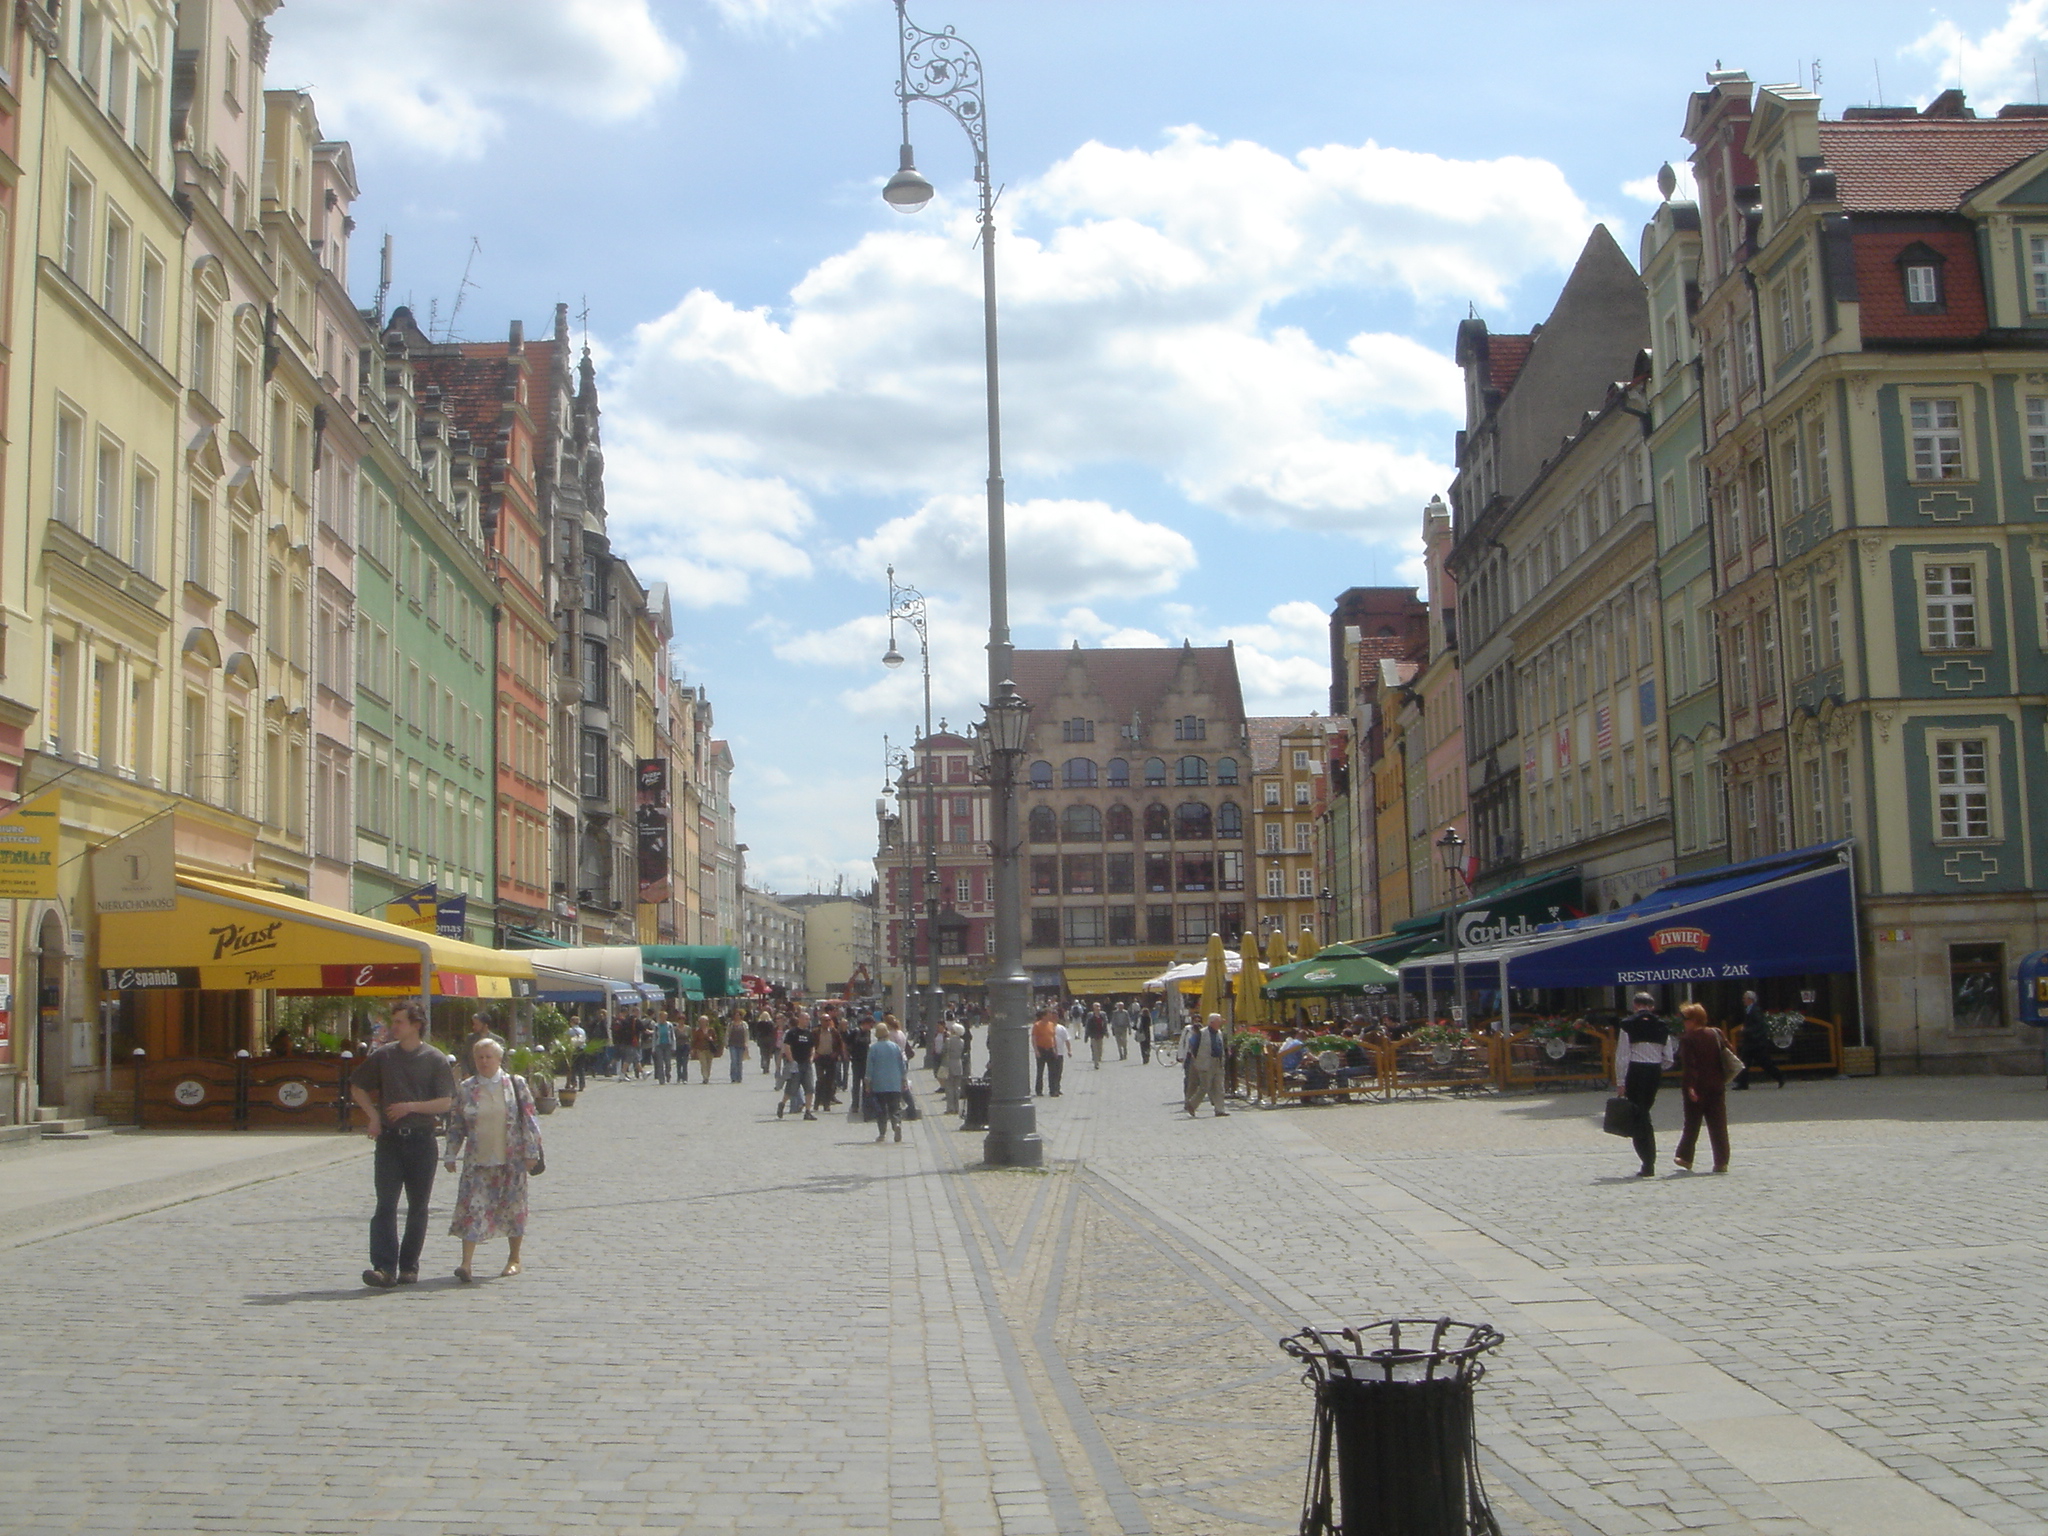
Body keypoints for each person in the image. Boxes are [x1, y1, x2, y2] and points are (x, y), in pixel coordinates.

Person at [350, 1001, 456, 1289]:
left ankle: (409, 1266)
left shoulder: (435, 1059)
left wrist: (411, 1106)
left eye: (399, 1022)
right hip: (390, 1141)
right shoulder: (384, 1056)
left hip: (422, 1140)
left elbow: (446, 1102)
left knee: (418, 1206)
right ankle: (384, 1268)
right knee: (385, 1204)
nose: (393, 1027)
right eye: (393, 1021)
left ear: (416, 1025)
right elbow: (357, 1086)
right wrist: (373, 1116)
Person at [442, 1037, 543, 1281]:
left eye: (489, 1057)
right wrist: (451, 1153)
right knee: (472, 1208)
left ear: (499, 1059)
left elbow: (530, 1119)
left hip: (511, 1159)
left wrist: (531, 1152)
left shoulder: (515, 1084)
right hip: (477, 1160)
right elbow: (457, 1124)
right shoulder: (467, 1088)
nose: (484, 1061)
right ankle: (466, 1264)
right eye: (480, 1057)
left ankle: (514, 1258)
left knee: (513, 1208)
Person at [1614, 991, 1677, 1177]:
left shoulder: (1627, 1024)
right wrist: (1657, 1067)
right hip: (1653, 1071)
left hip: (1636, 1070)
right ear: (1652, 1006)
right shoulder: (1662, 1025)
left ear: (1635, 1005)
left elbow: (1623, 1056)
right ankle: (1648, 1159)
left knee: (1638, 1114)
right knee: (1644, 1110)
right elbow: (1669, 1058)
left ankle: (1648, 1160)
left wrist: (1620, 1081)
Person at [1672, 1001, 1732, 1174]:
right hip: (1717, 1084)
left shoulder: (1688, 1039)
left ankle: (1685, 1157)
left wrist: (1690, 1086)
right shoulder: (1716, 1033)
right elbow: (1730, 1051)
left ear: (1693, 1020)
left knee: (1692, 1123)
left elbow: (1690, 1066)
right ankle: (1721, 1162)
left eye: (1685, 1019)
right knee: (1718, 1125)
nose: (1684, 1023)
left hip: (1697, 1087)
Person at [1182, 1012, 1231, 1117]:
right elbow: (1193, 1046)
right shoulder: (1201, 1033)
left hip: (1218, 1062)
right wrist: (1197, 1059)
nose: (1220, 1023)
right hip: (1205, 1062)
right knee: (1205, 1087)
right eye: (1218, 1021)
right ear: (1212, 1022)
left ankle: (1219, 1109)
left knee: (1219, 1087)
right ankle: (1192, 1104)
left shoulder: (1219, 1033)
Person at [1733, 990, 1785, 1088]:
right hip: (1750, 1042)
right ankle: (1742, 1083)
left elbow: (1758, 1026)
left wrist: (1746, 1030)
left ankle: (1779, 1076)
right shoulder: (1749, 1010)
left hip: (1756, 1043)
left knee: (1764, 1063)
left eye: (1745, 998)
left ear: (1750, 999)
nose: (1743, 1000)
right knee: (1744, 1063)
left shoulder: (1755, 1011)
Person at [867, 1020, 908, 1143]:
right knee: (895, 1107)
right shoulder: (895, 1047)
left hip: (879, 1083)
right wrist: (903, 1079)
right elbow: (902, 1065)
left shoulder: (873, 1048)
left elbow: (869, 1068)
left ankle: (882, 1134)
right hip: (894, 1082)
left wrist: (868, 1083)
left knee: (881, 1110)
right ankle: (896, 1123)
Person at [779, 1015, 816, 1120]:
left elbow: (812, 1047)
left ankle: (808, 1112)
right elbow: (787, 1047)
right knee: (792, 1088)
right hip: (796, 1064)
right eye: (805, 1019)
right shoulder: (792, 1033)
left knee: (810, 1088)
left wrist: (811, 1058)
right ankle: (782, 1104)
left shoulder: (809, 1034)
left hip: (806, 1064)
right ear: (800, 1019)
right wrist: (791, 1060)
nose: (807, 1021)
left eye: (808, 1019)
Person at [1032, 1009, 1060, 1096]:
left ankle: (1053, 1090)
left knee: (1052, 1071)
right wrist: (1036, 1051)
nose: (1051, 1016)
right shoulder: (1037, 1025)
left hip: (1050, 1049)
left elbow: (1053, 1038)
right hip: (1041, 1049)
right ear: (1044, 1016)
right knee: (1040, 1071)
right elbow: (1034, 1038)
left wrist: (1055, 1049)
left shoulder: (1051, 1024)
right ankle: (1039, 1090)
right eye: (1049, 1014)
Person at [651, 1010, 677, 1084]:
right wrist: (653, 1048)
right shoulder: (656, 1026)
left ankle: (667, 1074)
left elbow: (673, 1036)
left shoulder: (669, 1025)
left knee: (668, 1062)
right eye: (662, 1016)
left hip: (668, 1045)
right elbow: (654, 1037)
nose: (664, 1018)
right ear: (660, 1017)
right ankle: (661, 1079)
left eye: (665, 1017)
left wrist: (674, 1047)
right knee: (660, 1063)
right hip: (659, 1045)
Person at [691, 1016, 718, 1083]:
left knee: (709, 1064)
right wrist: (693, 1049)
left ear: (707, 1022)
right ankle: (705, 1077)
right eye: (701, 1022)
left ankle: (707, 1076)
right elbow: (694, 1041)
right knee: (703, 1063)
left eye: (704, 1021)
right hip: (701, 1049)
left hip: (709, 1049)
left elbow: (716, 1039)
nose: (703, 1023)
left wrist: (712, 1039)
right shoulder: (697, 1031)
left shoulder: (711, 1030)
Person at [565, 1020, 589, 1090]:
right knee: (581, 1067)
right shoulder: (582, 1030)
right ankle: (582, 1084)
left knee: (573, 1067)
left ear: (572, 1022)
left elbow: (566, 1039)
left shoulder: (570, 1030)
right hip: (582, 1049)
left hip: (573, 1049)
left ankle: (573, 1083)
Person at [726, 1013, 748, 1083]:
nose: (737, 1016)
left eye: (738, 1015)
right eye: (736, 1015)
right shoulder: (731, 1024)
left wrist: (746, 1043)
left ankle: (739, 1077)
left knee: (739, 1062)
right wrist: (726, 1042)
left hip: (741, 1044)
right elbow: (727, 1033)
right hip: (732, 1044)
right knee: (734, 1060)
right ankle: (733, 1077)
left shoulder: (744, 1024)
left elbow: (746, 1034)